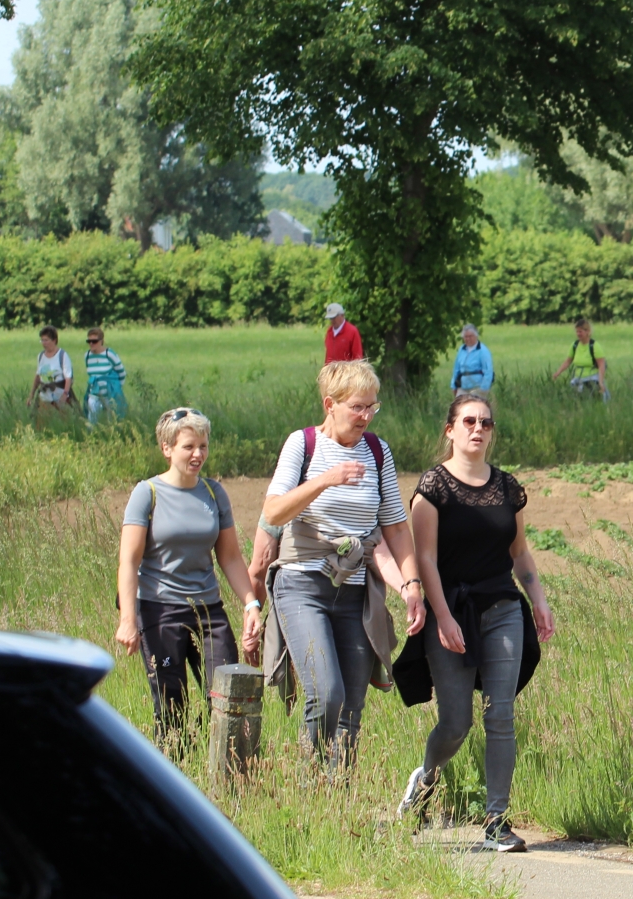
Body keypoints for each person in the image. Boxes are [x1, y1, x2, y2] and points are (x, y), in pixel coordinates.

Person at [398, 391, 555, 852]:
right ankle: (425, 780)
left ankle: (496, 821)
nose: (478, 429)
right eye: (469, 421)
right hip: (451, 611)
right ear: (450, 430)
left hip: (502, 608)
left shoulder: (507, 487)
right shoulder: (433, 488)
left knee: (500, 714)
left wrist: (539, 600)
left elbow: (519, 552)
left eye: (485, 423)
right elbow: (425, 560)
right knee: (456, 723)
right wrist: (443, 617)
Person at [261, 360, 425, 763]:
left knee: (351, 709)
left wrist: (410, 586)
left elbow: (395, 529)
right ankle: (310, 784)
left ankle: (340, 792)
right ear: (329, 404)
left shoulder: (377, 451)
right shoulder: (302, 444)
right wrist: (324, 480)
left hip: (356, 593)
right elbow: (274, 512)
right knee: (326, 694)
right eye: (357, 407)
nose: (366, 416)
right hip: (302, 585)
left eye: (372, 406)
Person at [115, 407, 262, 740]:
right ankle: (174, 764)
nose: (198, 454)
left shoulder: (213, 493)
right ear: (167, 448)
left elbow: (230, 558)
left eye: (203, 446)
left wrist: (251, 604)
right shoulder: (147, 493)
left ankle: (230, 768)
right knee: (172, 708)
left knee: (230, 695)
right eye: (189, 447)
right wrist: (127, 619)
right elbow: (129, 561)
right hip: (159, 610)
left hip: (209, 611)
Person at [552, 318, 608, 399]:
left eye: (580, 331)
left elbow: (601, 365)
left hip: (592, 379)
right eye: (577, 331)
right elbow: (568, 361)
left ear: (587, 332)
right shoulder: (574, 345)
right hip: (578, 378)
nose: (578, 334)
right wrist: (558, 373)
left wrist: (600, 382)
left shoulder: (595, 346)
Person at [83, 328, 128, 426]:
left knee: (112, 419)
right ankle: (92, 434)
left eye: (94, 341)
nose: (91, 344)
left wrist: (117, 388)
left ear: (101, 341)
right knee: (91, 420)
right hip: (94, 393)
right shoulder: (87, 356)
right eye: (89, 341)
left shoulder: (109, 354)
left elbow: (121, 372)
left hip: (109, 394)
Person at [31, 326, 74, 427]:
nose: (43, 343)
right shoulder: (41, 356)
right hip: (45, 394)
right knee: (41, 422)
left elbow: (68, 377)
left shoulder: (62, 355)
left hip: (59, 393)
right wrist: (31, 394)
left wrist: (65, 394)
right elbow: (38, 376)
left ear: (54, 340)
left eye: (46, 340)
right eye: (42, 340)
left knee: (66, 421)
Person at [450, 323, 494, 393]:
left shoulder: (483, 350)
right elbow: (456, 369)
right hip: (462, 386)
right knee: (459, 400)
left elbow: (488, 371)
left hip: (477, 387)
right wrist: (453, 385)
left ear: (476, 336)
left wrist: (483, 388)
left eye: (470, 336)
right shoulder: (461, 349)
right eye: (465, 336)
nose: (468, 339)